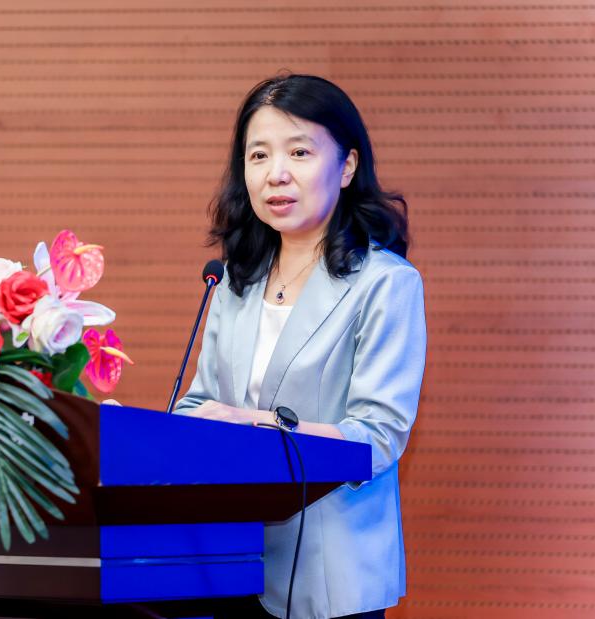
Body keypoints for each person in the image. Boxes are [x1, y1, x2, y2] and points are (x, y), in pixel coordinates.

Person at [171, 74, 427, 618]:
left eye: (300, 152)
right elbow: (200, 403)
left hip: (330, 576)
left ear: (348, 166)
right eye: (258, 155)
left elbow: (377, 437)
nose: (276, 173)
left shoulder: (386, 283)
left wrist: (254, 425)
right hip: (230, 564)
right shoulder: (234, 280)